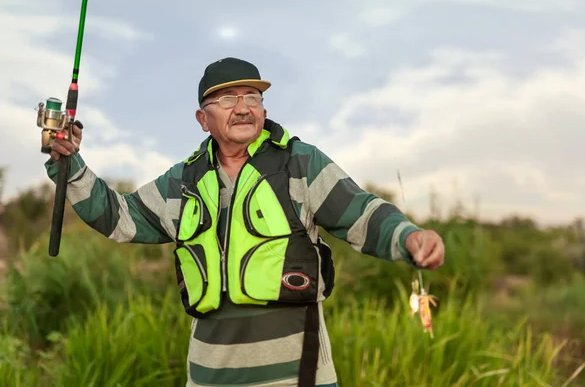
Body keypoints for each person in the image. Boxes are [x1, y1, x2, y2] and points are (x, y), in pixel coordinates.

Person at [45, 57, 445, 387]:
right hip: (206, 376)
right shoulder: (183, 181)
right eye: (227, 98)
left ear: (264, 111)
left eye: (252, 96)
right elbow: (119, 217)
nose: (242, 107)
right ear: (203, 119)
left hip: (297, 377)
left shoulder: (299, 162)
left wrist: (409, 237)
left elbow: (363, 212)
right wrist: (71, 166)